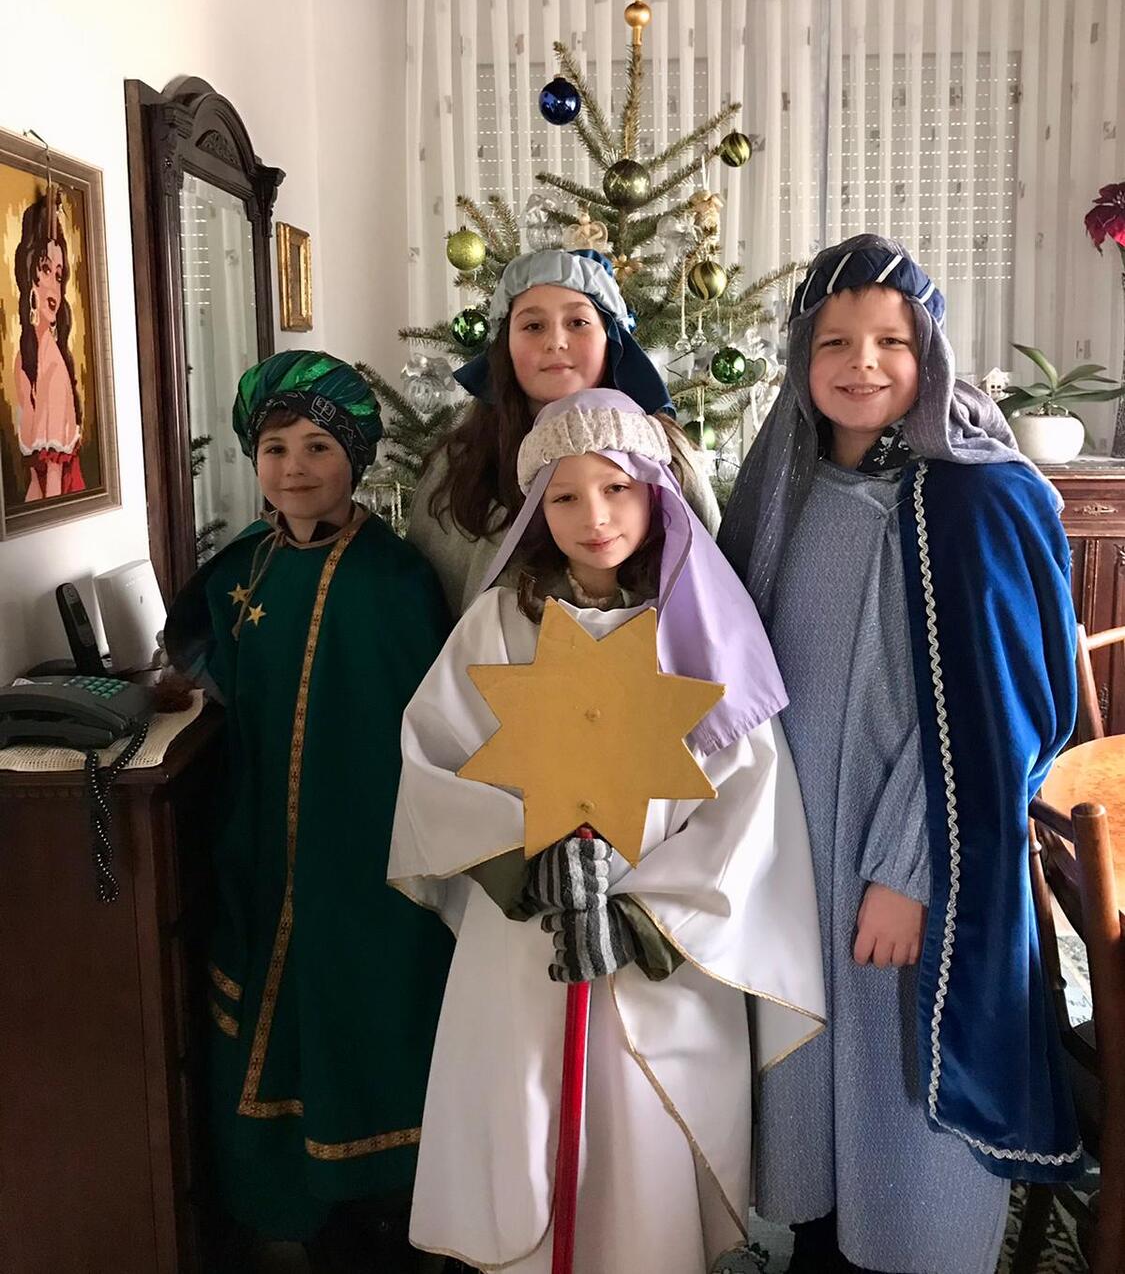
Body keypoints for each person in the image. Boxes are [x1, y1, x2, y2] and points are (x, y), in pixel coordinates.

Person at [389, 387, 825, 1274]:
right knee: (528, 1108)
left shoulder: (699, 630)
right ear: (535, 510)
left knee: (640, 1137)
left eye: (617, 489)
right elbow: (434, 756)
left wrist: (643, 917)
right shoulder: (500, 624)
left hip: (658, 947)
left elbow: (749, 804)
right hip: (529, 937)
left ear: (656, 492)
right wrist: (523, 862)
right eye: (565, 497)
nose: (593, 517)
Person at [718, 234, 1081, 1274]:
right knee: (811, 1067)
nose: (862, 363)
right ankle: (823, 1241)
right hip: (795, 847)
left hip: (914, 861)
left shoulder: (983, 497)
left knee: (898, 1078)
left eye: (892, 340)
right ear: (801, 356)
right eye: (834, 341)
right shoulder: (779, 489)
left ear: (932, 352)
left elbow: (1006, 714)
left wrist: (909, 872)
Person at [165, 351, 454, 1270]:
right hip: (265, 838)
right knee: (276, 1010)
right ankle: (294, 1208)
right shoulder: (241, 572)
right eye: (276, 448)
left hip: (366, 850)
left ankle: (386, 1206)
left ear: (354, 458)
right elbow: (209, 666)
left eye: (318, 446)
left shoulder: (394, 580)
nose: (294, 467)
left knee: (364, 1006)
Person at [407, 246, 721, 615]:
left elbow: (711, 588)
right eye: (533, 326)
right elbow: (427, 607)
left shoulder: (666, 455)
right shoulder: (461, 467)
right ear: (506, 346)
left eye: (577, 323)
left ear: (611, 337)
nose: (556, 341)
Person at [12, 189, 84, 499]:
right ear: (30, 277)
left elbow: (53, 480)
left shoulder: (52, 361)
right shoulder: (26, 360)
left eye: (59, 274)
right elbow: (38, 480)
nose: (54, 285)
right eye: (45, 269)